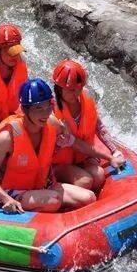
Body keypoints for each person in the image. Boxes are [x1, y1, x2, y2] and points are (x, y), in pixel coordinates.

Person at [0, 80, 98, 214]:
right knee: (53, 201)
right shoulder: (7, 137)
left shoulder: (52, 123)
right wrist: (6, 199)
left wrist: (64, 135)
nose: (45, 113)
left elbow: (68, 135)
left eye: (48, 106)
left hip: (43, 186)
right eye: (38, 108)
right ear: (24, 109)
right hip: (13, 192)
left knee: (89, 198)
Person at [51, 60, 125, 192]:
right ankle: (59, 190)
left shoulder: (86, 99)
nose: (76, 94)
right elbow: (76, 143)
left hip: (84, 157)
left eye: (79, 88)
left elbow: (99, 127)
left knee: (98, 176)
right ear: (59, 88)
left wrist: (115, 150)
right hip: (59, 163)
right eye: (71, 90)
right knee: (85, 182)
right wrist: (109, 158)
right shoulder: (51, 111)